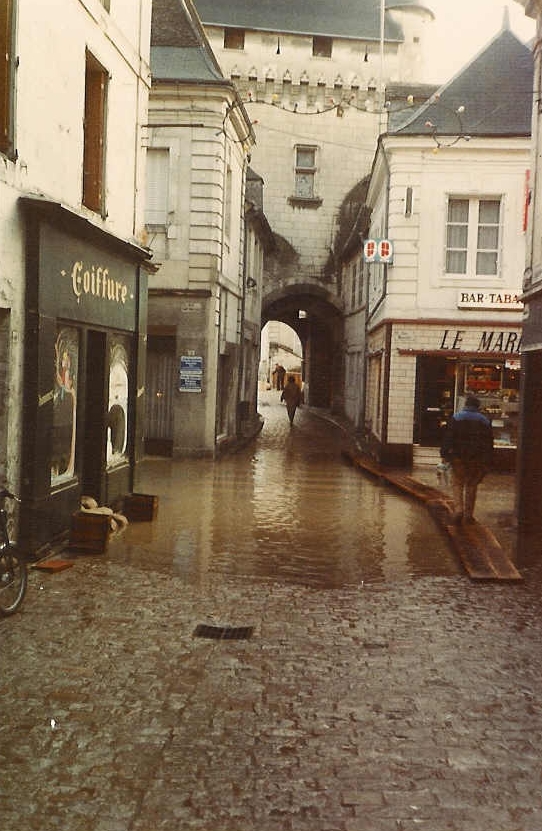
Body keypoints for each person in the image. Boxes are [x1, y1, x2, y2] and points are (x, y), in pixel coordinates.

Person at [440, 395, 493, 525]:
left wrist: (444, 454)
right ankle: (469, 515)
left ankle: (458, 510)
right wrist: (487, 461)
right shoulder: (484, 420)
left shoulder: (456, 417)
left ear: (465, 405)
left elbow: (448, 437)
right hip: (476, 459)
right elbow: (488, 443)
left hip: (458, 457)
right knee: (471, 485)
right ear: (477, 406)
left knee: (457, 483)